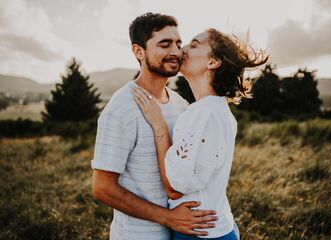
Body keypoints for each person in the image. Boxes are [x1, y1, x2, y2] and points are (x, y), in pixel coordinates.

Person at [131, 28, 268, 239]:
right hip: (217, 228)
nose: (182, 49)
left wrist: (159, 127)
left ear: (213, 62)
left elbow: (175, 189)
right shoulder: (214, 109)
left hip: (198, 233)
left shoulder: (203, 113)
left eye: (194, 45)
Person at [91, 13, 218, 240]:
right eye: (164, 44)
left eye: (179, 43)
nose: (176, 51)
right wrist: (167, 217)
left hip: (180, 234)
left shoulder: (180, 104)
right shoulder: (122, 108)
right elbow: (102, 187)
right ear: (139, 51)